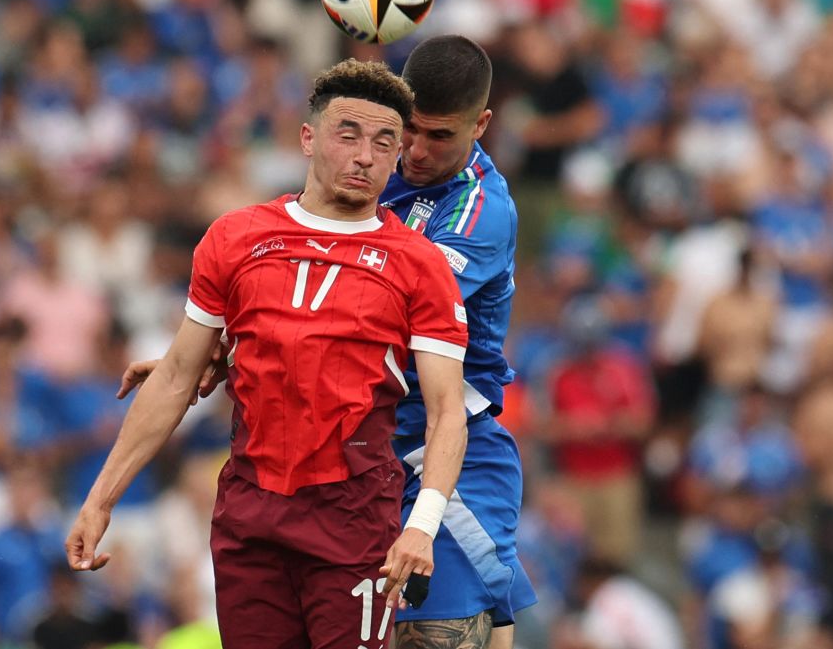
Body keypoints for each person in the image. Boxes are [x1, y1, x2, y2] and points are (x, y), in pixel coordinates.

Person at [123, 35, 537, 648]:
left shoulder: (478, 214)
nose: (416, 153)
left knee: (441, 636)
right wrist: (201, 356)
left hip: (439, 453)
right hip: (348, 465)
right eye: (410, 131)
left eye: (441, 137)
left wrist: (230, 353)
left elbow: (369, 313)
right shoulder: (377, 159)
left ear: (481, 125)